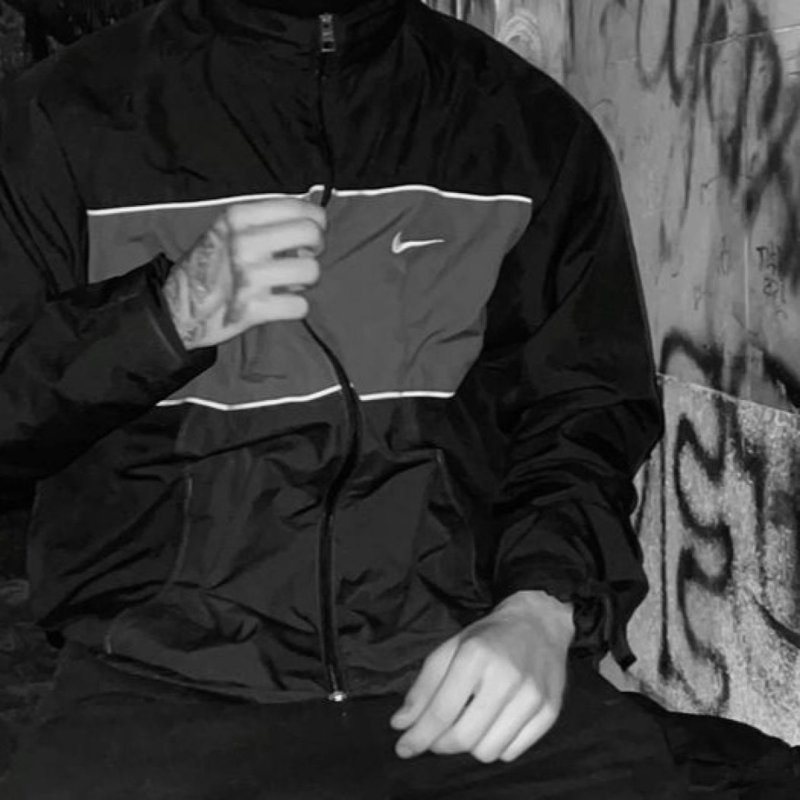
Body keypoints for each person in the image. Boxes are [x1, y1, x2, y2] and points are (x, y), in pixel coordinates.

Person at [0, 0, 716, 796]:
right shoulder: (59, 118)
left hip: (459, 665)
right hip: (156, 680)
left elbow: (583, 413)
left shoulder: (528, 126)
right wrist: (159, 323)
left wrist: (542, 608)